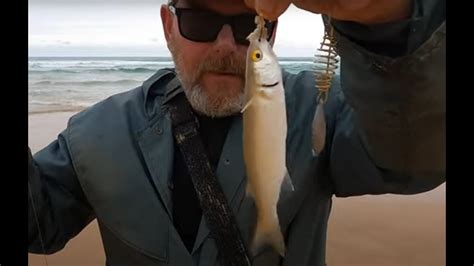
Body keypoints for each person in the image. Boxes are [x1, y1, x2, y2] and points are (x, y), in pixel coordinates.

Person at [28, 0, 446, 265]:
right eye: (199, 21)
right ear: (168, 25)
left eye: (247, 23)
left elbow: (411, 162)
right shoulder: (94, 132)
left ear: (270, 31)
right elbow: (38, 225)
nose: (226, 45)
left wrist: (391, 25)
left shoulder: (322, 110)